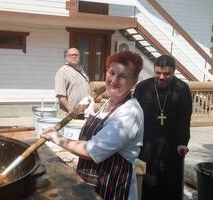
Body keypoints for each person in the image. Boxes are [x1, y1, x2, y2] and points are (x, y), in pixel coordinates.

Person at [42, 51, 144, 200]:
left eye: (122, 76)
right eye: (112, 72)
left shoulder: (129, 113)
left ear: (133, 82)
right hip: (91, 180)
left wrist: (57, 138)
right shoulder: (109, 103)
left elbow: (91, 151)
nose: (114, 80)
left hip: (112, 186)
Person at [133, 55, 192, 200]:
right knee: (147, 182)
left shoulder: (182, 89)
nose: (162, 77)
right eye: (158, 73)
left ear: (174, 71)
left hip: (172, 144)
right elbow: (134, 116)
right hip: (147, 143)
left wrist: (183, 142)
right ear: (153, 71)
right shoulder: (142, 87)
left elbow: (185, 119)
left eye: (167, 74)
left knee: (170, 183)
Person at [55, 48, 89, 118]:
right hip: (69, 114)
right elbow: (60, 95)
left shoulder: (81, 70)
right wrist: (70, 109)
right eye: (71, 55)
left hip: (83, 113)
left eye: (76, 55)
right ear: (66, 57)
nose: (74, 56)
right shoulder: (62, 72)